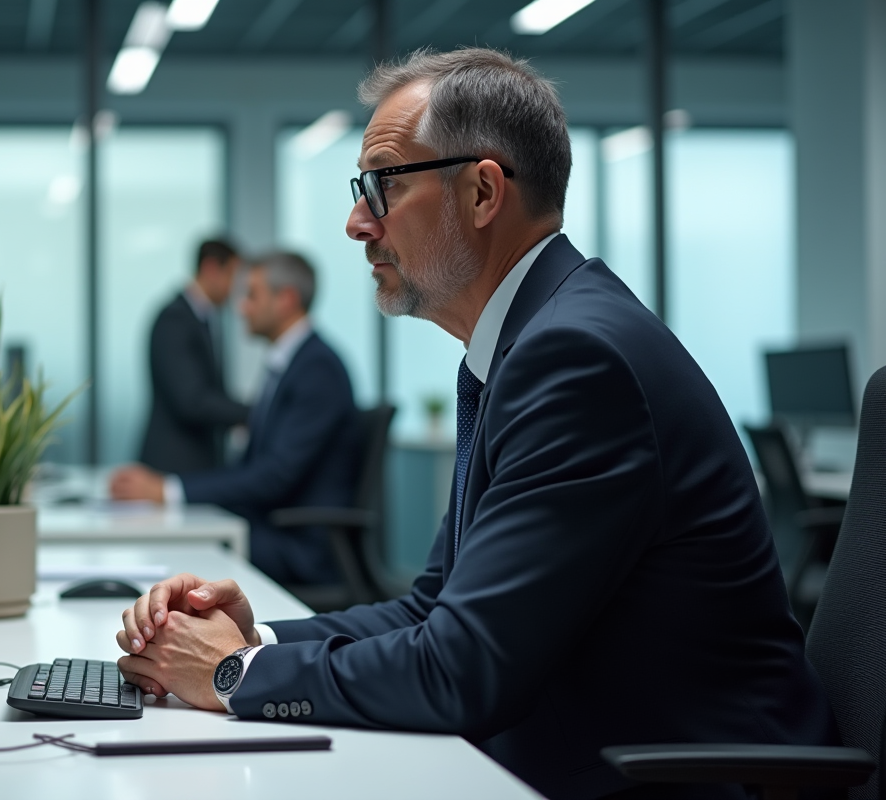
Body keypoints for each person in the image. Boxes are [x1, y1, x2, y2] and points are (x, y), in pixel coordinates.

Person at [111, 48, 838, 800]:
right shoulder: (526, 344)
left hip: (696, 782)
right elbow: (433, 608)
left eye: (384, 184)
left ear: (483, 192)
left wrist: (233, 674)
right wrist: (253, 637)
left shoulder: (575, 359)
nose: (358, 222)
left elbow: (463, 670)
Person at [112, 252, 361, 586]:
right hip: (272, 528)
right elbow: (254, 469)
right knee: (175, 543)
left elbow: (274, 475)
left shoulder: (317, 369)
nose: (241, 306)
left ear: (286, 299)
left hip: (299, 547)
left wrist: (171, 490)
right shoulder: (290, 364)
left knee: (181, 553)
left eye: (252, 295)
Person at [138, 239, 249, 476]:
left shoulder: (204, 320)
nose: (235, 288)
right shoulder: (175, 320)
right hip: (173, 463)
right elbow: (191, 401)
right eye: (232, 276)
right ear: (211, 268)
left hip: (196, 461)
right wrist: (251, 412)